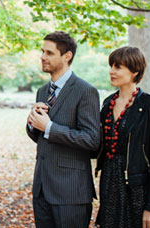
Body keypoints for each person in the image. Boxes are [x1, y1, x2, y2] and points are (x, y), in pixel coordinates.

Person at [26, 31, 100, 228]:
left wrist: (49, 127)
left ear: (67, 56)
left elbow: (92, 139)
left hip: (71, 192)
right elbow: (41, 136)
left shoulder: (86, 91)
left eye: (49, 53)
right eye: (42, 51)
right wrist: (32, 122)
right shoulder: (42, 91)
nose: (42, 57)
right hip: (42, 188)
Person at [95, 46, 150, 228]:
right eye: (111, 66)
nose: (111, 71)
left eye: (118, 67)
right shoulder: (107, 104)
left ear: (135, 71)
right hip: (110, 183)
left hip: (138, 187)